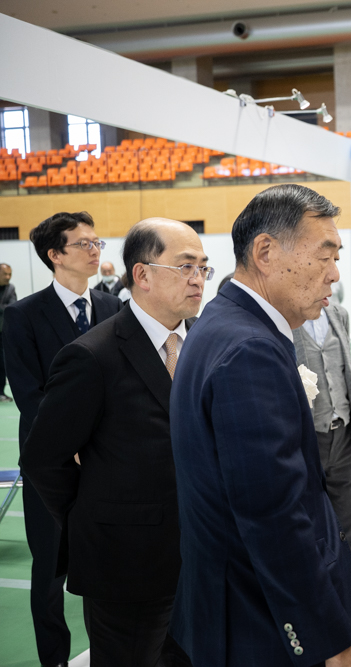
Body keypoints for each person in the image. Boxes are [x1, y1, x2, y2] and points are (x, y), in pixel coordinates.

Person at [170, 184, 351, 666]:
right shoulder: (250, 350)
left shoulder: (221, 323)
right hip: (260, 620)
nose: (334, 273)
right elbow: (273, 516)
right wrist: (331, 641)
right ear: (265, 252)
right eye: (325, 255)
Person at [20, 219, 207, 667]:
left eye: (203, 268)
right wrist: (93, 515)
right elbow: (44, 458)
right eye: (185, 267)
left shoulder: (203, 343)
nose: (198, 279)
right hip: (125, 565)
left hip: (199, 559)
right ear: (142, 275)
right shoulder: (92, 355)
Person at [3, 211, 123, 667]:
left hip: (107, 458)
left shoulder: (113, 308)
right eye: (83, 244)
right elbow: (28, 392)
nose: (94, 250)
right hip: (50, 461)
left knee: (108, 562)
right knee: (50, 565)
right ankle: (53, 657)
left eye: (97, 242)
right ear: (55, 255)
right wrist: (67, 444)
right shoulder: (23, 315)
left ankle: (108, 651)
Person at [295, 303, 351, 618]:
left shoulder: (338, 314)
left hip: (343, 433)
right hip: (308, 437)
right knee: (309, 523)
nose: (330, 279)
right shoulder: (287, 314)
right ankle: (318, 597)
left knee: (349, 522)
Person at [0, 262, 17, 402]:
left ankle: (1, 392)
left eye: (9, 274)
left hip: (2, 332)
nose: (8, 277)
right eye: (5, 274)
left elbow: (11, 307)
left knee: (2, 363)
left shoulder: (10, 288)